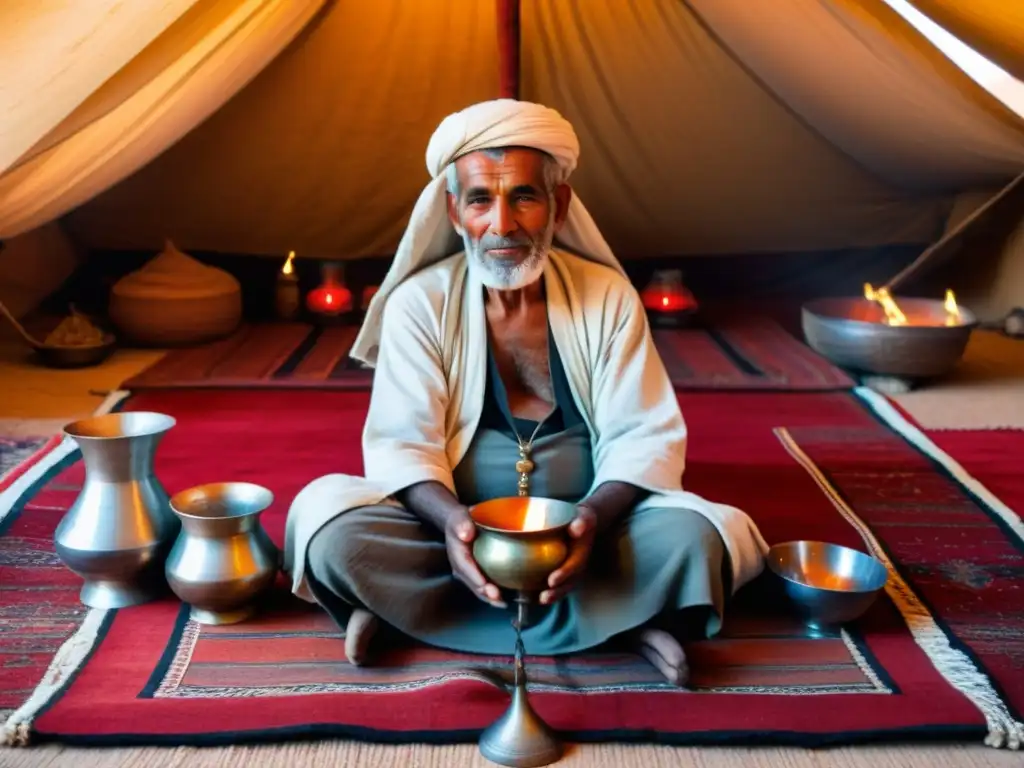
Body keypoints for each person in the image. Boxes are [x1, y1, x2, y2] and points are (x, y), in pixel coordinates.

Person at [283, 99, 768, 685]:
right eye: (481, 200)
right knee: (330, 529)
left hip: (589, 531)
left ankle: (408, 615)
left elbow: (644, 436)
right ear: (455, 212)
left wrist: (591, 518)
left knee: (698, 536)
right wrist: (455, 528)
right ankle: (620, 622)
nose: (503, 226)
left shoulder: (607, 297)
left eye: (524, 198)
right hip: (453, 530)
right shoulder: (421, 303)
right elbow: (401, 444)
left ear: (558, 205)